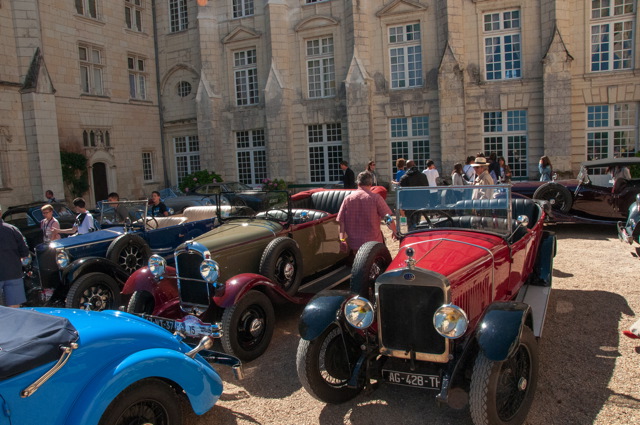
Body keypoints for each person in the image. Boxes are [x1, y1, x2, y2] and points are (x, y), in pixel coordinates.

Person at [337, 172, 397, 254]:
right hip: (373, 244)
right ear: (370, 184)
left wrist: (342, 240)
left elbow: (341, 222)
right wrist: (394, 231)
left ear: (358, 183)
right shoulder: (376, 198)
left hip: (354, 244)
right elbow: (388, 218)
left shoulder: (348, 199)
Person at [0, 204, 29, 307]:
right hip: (13, 273)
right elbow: (24, 252)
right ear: (0, 214)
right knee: (15, 309)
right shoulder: (13, 229)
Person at [399, 160, 429, 229]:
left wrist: (401, 205)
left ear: (407, 167)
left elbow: (402, 193)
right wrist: (426, 201)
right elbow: (427, 190)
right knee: (417, 221)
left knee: (410, 223)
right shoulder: (423, 176)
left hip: (409, 204)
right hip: (420, 202)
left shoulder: (404, 178)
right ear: (415, 165)